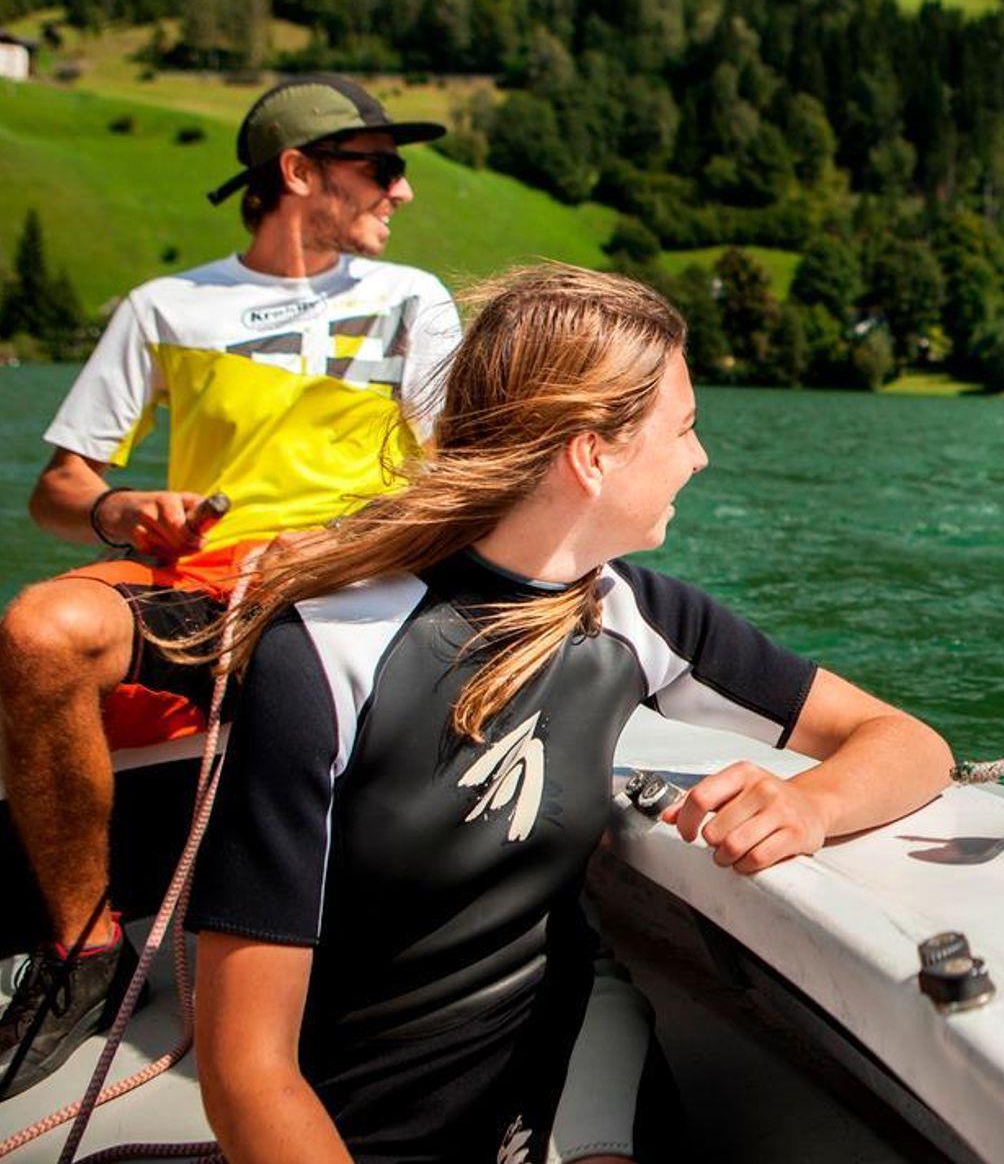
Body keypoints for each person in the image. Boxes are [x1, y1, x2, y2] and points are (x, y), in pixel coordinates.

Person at [185, 265, 953, 1164]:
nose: (699, 458)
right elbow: (247, 1068)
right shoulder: (326, 652)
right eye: (684, 427)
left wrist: (810, 804)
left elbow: (909, 744)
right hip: (361, 1107)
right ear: (592, 455)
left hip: (555, 1048)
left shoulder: (638, 614)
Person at [0, 75, 459, 1097]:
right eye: (379, 167)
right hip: (204, 579)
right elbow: (60, 487)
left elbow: (457, 472)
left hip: (358, 575)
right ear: (296, 172)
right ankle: (84, 954)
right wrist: (125, 511)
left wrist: (349, 541)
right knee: (37, 632)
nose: (401, 190)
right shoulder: (164, 308)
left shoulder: (412, 300)